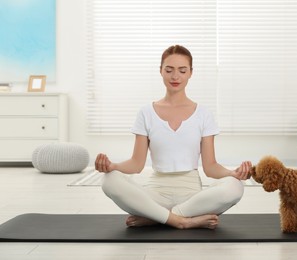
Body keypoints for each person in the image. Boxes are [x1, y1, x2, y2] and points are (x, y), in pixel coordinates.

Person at [95, 45, 252, 230]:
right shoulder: (146, 113)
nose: (175, 76)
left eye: (182, 70)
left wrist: (233, 174)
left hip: (192, 196)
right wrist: (111, 166)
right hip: (155, 193)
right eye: (169, 70)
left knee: (235, 187)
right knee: (109, 181)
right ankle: (184, 221)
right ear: (160, 71)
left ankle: (155, 217)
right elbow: (136, 164)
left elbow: (210, 168)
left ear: (191, 73)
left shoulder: (203, 114)